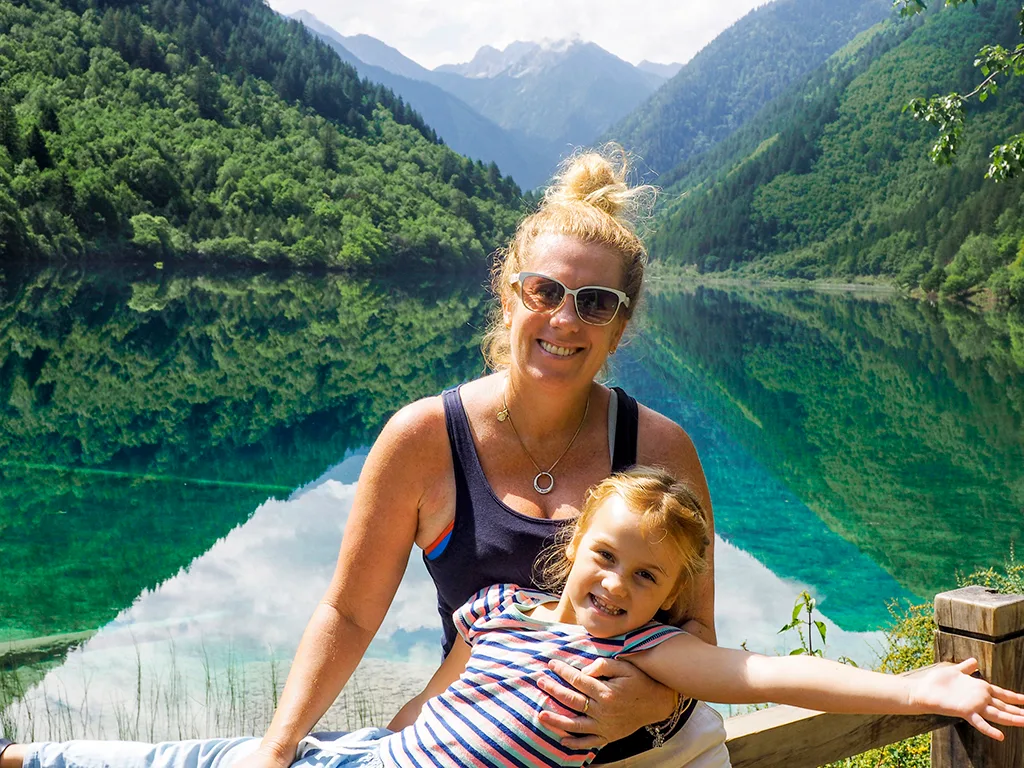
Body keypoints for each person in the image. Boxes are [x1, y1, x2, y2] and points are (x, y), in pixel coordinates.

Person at [1, 146, 726, 768]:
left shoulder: (656, 450)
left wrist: (648, 699)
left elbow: (698, 634)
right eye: (545, 291)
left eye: (595, 303)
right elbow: (349, 614)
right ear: (509, 297)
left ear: (621, 326)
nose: (565, 319)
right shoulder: (422, 439)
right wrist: (279, 747)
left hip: (654, 753)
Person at [8, 467, 1023, 768]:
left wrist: (912, 686)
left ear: (668, 595)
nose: (616, 587)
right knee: (190, 761)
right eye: (605, 560)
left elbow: (765, 678)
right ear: (573, 549)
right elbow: (425, 707)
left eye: (643, 577)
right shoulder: (496, 607)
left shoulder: (654, 653)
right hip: (357, 761)